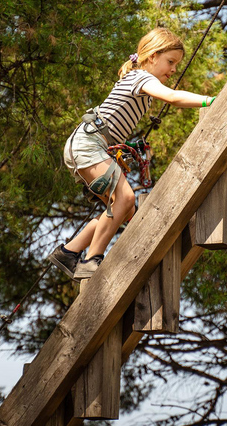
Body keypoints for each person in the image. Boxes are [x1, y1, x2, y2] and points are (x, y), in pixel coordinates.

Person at [49, 27, 216, 281]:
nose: (172, 70)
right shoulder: (142, 78)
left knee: (122, 211)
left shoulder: (140, 82)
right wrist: (210, 101)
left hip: (90, 144)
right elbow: (171, 97)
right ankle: (92, 260)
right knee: (125, 198)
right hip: (88, 143)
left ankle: (68, 252)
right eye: (170, 62)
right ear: (152, 56)